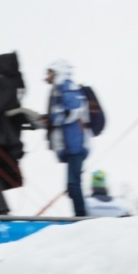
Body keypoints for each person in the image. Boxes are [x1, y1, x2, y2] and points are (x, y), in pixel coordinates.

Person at [44, 59, 92, 216]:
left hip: (76, 145)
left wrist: (54, 118)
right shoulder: (61, 89)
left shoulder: (67, 88)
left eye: (50, 72)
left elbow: (73, 112)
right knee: (72, 185)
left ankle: (81, 216)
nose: (47, 76)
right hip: (72, 146)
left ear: (58, 72)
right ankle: (80, 215)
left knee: (73, 184)